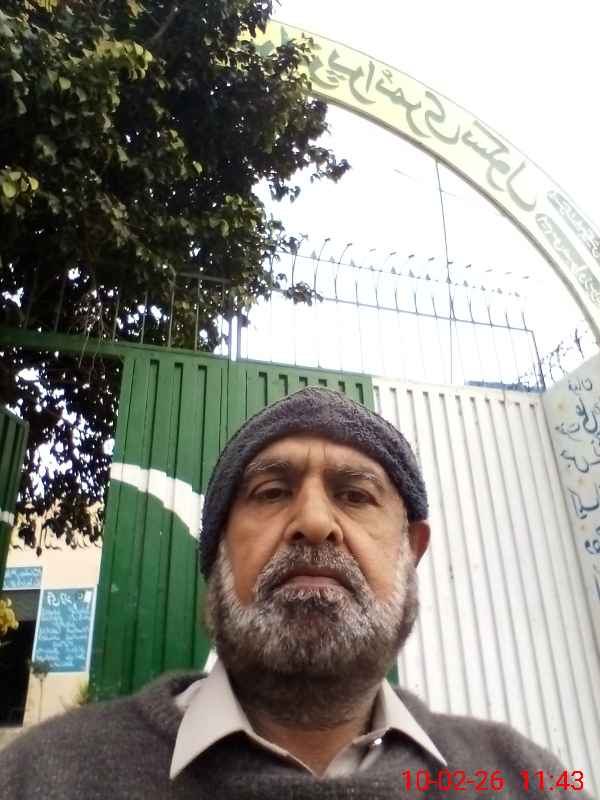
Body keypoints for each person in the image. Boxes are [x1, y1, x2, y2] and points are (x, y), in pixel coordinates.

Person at [1, 387, 592, 798]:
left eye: (355, 495)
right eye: (271, 492)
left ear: (411, 551)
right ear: (218, 551)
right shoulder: (38, 777)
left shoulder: (529, 780)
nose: (313, 521)